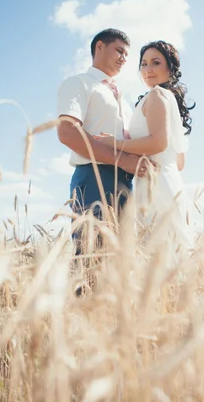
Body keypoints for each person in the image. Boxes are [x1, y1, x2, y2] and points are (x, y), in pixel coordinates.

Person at [95, 40, 194, 250]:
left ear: (170, 68)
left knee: (155, 255)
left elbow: (159, 142)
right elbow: (180, 162)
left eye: (156, 63)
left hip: (154, 186)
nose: (148, 69)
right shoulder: (169, 99)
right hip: (169, 183)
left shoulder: (157, 95)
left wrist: (116, 144)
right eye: (144, 64)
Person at [57, 28, 146, 252]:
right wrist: (122, 160)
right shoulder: (79, 83)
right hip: (94, 177)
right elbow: (67, 132)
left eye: (127, 55)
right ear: (99, 47)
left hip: (126, 183)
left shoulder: (122, 99)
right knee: (90, 260)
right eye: (119, 51)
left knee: (118, 265)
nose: (124, 59)